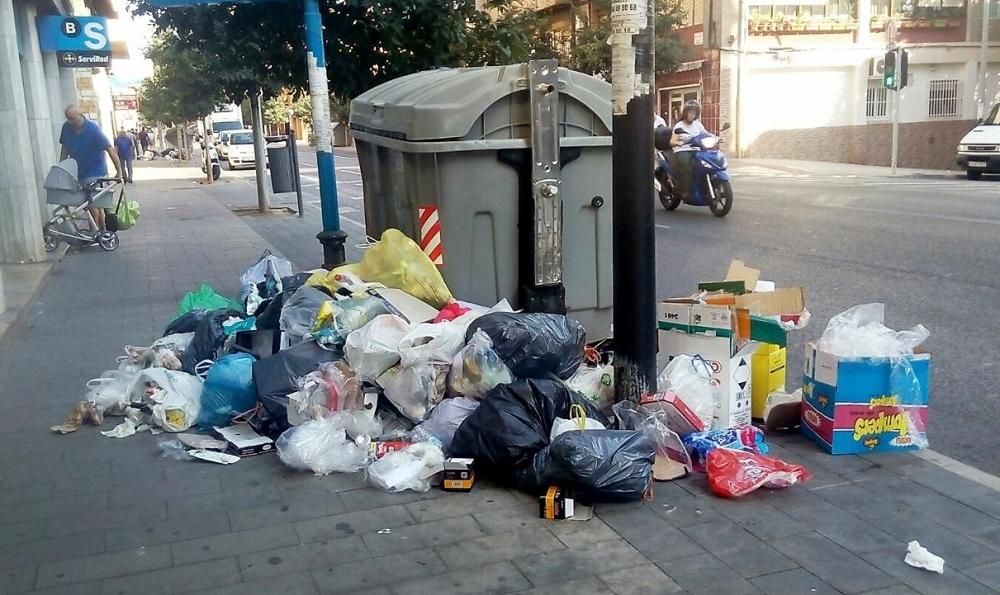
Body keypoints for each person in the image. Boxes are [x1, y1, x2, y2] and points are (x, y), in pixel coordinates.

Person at [59, 105, 123, 233]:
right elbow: (64, 148)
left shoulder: (93, 129)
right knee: (95, 205)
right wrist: (62, 165)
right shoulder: (66, 127)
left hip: (95, 171)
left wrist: (120, 171)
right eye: (68, 119)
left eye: (73, 119)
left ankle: (96, 230)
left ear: (80, 115)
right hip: (78, 171)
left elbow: (110, 149)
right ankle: (101, 229)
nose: (71, 122)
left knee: (92, 203)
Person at [669, 100, 707, 197]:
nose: (691, 115)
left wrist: (717, 138)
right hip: (682, 150)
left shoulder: (698, 125)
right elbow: (672, 141)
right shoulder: (679, 126)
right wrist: (679, 142)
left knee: (707, 162)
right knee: (687, 165)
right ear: (685, 113)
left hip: (696, 149)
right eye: (690, 112)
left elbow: (705, 134)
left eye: (694, 113)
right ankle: (684, 189)